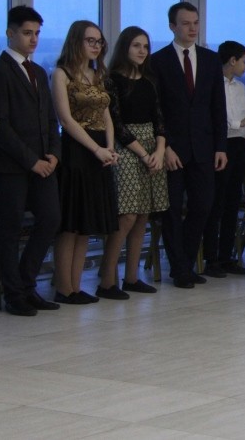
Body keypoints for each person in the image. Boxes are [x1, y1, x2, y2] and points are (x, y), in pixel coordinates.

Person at [0, 6, 63, 316]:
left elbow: (50, 119)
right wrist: (32, 161)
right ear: (10, 33)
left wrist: (53, 153)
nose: (34, 39)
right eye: (27, 33)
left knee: (51, 219)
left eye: (37, 33)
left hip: (44, 162)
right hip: (12, 166)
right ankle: (14, 293)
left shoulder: (39, 71)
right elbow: (0, 124)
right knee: (10, 227)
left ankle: (27, 284)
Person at [150, 2, 228, 289]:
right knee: (170, 211)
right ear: (172, 26)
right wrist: (166, 147)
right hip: (172, 148)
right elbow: (156, 109)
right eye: (186, 23)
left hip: (204, 147)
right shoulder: (158, 61)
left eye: (195, 22)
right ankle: (180, 268)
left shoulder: (210, 59)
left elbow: (217, 106)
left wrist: (221, 146)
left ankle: (184, 260)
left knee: (203, 205)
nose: (192, 28)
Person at [49, 20, 120, 304]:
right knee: (71, 223)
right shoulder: (61, 73)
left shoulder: (97, 74)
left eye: (99, 41)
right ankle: (64, 288)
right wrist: (96, 149)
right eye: (90, 40)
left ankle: (76, 287)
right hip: (77, 150)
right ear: (76, 41)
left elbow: (106, 115)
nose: (96, 46)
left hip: (99, 150)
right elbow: (65, 120)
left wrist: (110, 148)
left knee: (85, 223)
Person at [99, 26, 167, 298]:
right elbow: (117, 124)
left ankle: (131, 277)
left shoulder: (150, 80)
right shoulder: (112, 80)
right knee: (127, 215)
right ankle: (107, 281)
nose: (142, 51)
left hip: (152, 147)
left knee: (143, 215)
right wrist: (143, 153)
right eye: (136, 45)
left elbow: (159, 118)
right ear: (124, 47)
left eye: (145, 46)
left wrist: (159, 150)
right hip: (127, 148)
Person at [202, 41, 245, 278]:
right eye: (243, 61)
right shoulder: (213, 84)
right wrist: (242, 122)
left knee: (233, 203)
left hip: (239, 146)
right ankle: (211, 258)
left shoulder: (240, 87)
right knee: (216, 203)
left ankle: (226, 256)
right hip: (222, 146)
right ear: (232, 61)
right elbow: (221, 119)